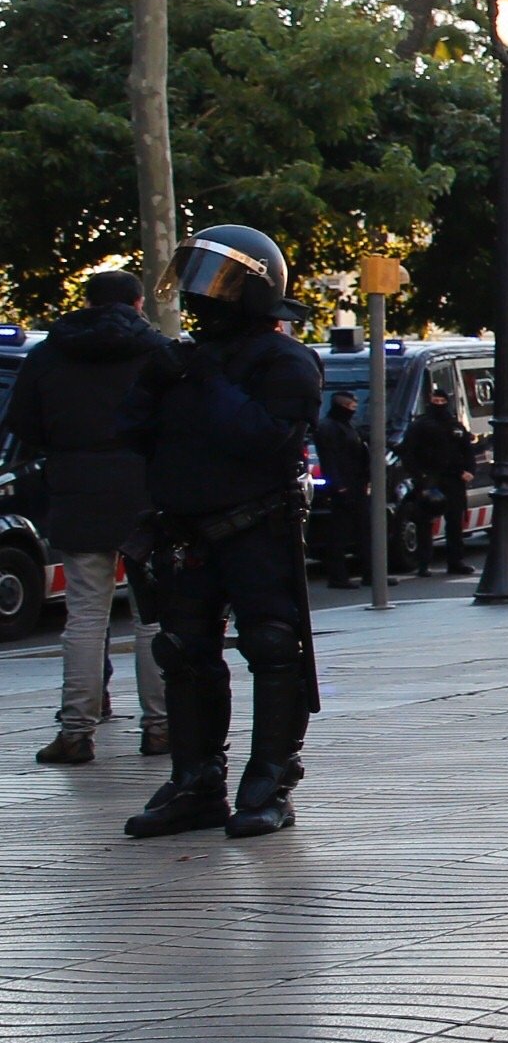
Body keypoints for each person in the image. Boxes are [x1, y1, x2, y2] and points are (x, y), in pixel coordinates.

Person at [118, 228, 323, 838]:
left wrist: (207, 380)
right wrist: (155, 382)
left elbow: (261, 438)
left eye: (221, 286)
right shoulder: (184, 360)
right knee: (182, 653)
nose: (204, 300)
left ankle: (268, 782)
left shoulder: (284, 360)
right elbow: (131, 435)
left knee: (271, 646)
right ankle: (195, 782)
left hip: (254, 527)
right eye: (199, 284)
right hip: (184, 530)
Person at [6, 268, 171, 764]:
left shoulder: (50, 354)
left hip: (76, 490)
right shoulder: (156, 352)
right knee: (152, 619)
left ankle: (76, 732)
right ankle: (161, 727)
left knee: (84, 617)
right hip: (145, 493)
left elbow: (22, 425)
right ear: (137, 304)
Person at [400, 388, 476, 576]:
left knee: (455, 522)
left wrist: (469, 470)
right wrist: (420, 477)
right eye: (436, 400)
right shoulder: (419, 425)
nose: (439, 403)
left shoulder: (455, 425)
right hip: (430, 478)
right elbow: (408, 452)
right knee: (425, 522)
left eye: (443, 400)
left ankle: (455, 561)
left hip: (454, 479)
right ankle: (424, 563)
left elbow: (467, 449)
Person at [313, 389, 373, 591]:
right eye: (351, 407)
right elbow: (330, 460)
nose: (353, 410)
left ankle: (371, 574)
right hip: (344, 488)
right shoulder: (329, 428)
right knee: (339, 534)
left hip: (356, 485)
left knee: (365, 531)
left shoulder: (347, 425)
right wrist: (339, 486)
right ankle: (338, 577)